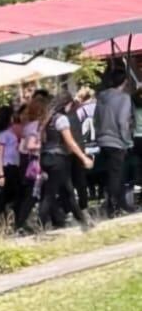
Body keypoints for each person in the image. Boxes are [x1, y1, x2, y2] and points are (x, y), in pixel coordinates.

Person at [40, 86, 93, 230]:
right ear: (67, 104)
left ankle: (82, 222)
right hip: (58, 159)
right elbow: (70, 142)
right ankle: (41, 223)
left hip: (46, 158)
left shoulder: (47, 118)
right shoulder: (61, 119)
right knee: (51, 194)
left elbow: (42, 139)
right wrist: (83, 157)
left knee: (67, 191)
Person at [95, 63, 135, 218]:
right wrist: (127, 140)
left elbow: (96, 120)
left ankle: (117, 204)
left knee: (111, 174)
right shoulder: (124, 98)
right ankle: (114, 206)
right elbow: (122, 121)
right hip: (117, 141)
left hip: (103, 141)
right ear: (124, 82)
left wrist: (99, 135)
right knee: (116, 175)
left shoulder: (101, 97)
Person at [16, 90, 47, 233]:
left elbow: (22, 148)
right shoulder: (36, 127)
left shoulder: (27, 127)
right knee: (33, 195)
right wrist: (43, 144)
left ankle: (24, 222)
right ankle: (21, 222)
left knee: (38, 193)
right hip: (38, 162)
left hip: (31, 162)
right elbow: (29, 146)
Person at [0, 105, 22, 230]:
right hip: (7, 167)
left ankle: (12, 220)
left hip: (13, 166)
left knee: (13, 195)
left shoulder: (10, 132)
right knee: (6, 196)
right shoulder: (3, 135)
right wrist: (1, 174)